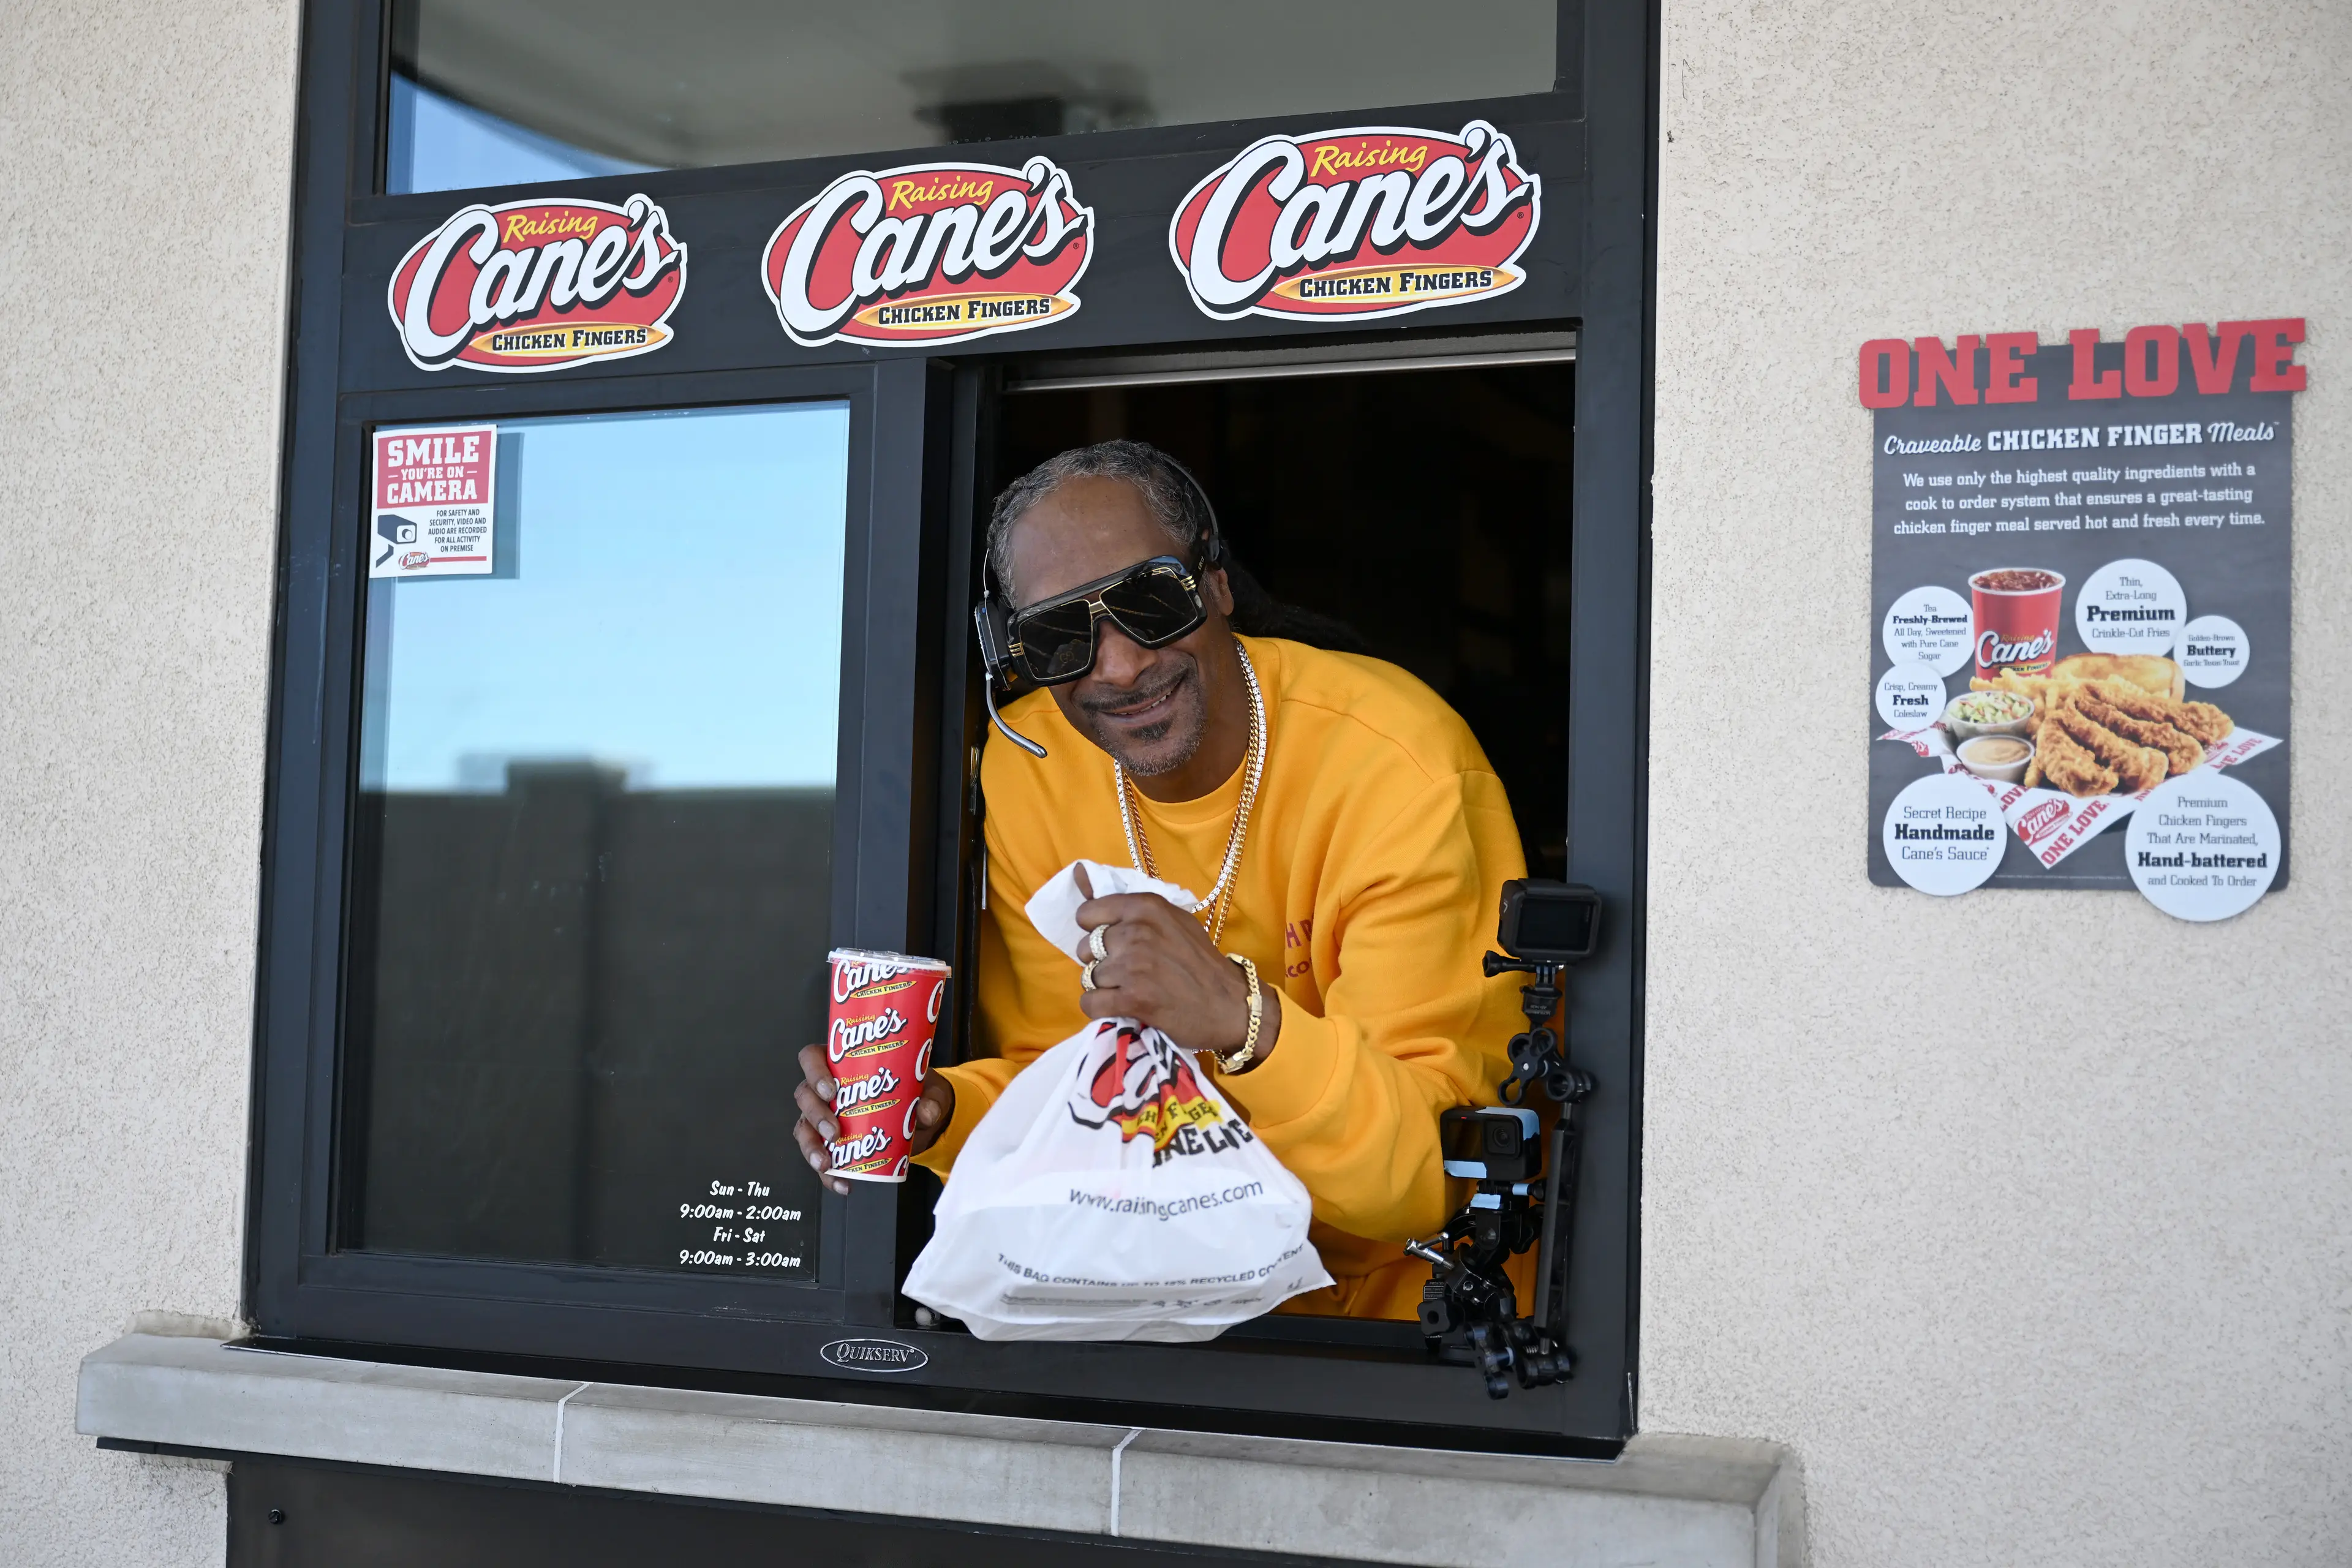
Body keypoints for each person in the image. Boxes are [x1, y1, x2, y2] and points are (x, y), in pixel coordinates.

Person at [794, 440, 1531, 1320]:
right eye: (1060, 635)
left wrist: (1240, 1020)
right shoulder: (1027, 766)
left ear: (1216, 582)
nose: (1117, 666)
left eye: (1148, 601)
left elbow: (1424, 1181)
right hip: (1151, 1304)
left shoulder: (1397, 763)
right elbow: (1065, 1081)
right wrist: (943, 1112)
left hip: (1386, 1328)